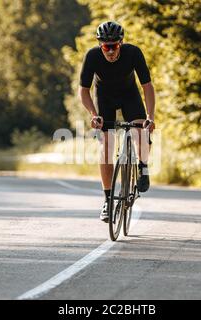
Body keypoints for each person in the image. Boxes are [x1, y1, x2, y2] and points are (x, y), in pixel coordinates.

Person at [79, 21, 156, 222]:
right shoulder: (92, 56)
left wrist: (151, 117)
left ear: (121, 43)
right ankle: (108, 200)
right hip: (104, 97)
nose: (110, 51)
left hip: (130, 95)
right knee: (106, 145)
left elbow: (147, 86)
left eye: (114, 46)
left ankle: (143, 167)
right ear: (100, 45)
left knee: (141, 132)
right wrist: (93, 114)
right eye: (106, 46)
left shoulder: (133, 53)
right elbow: (84, 90)